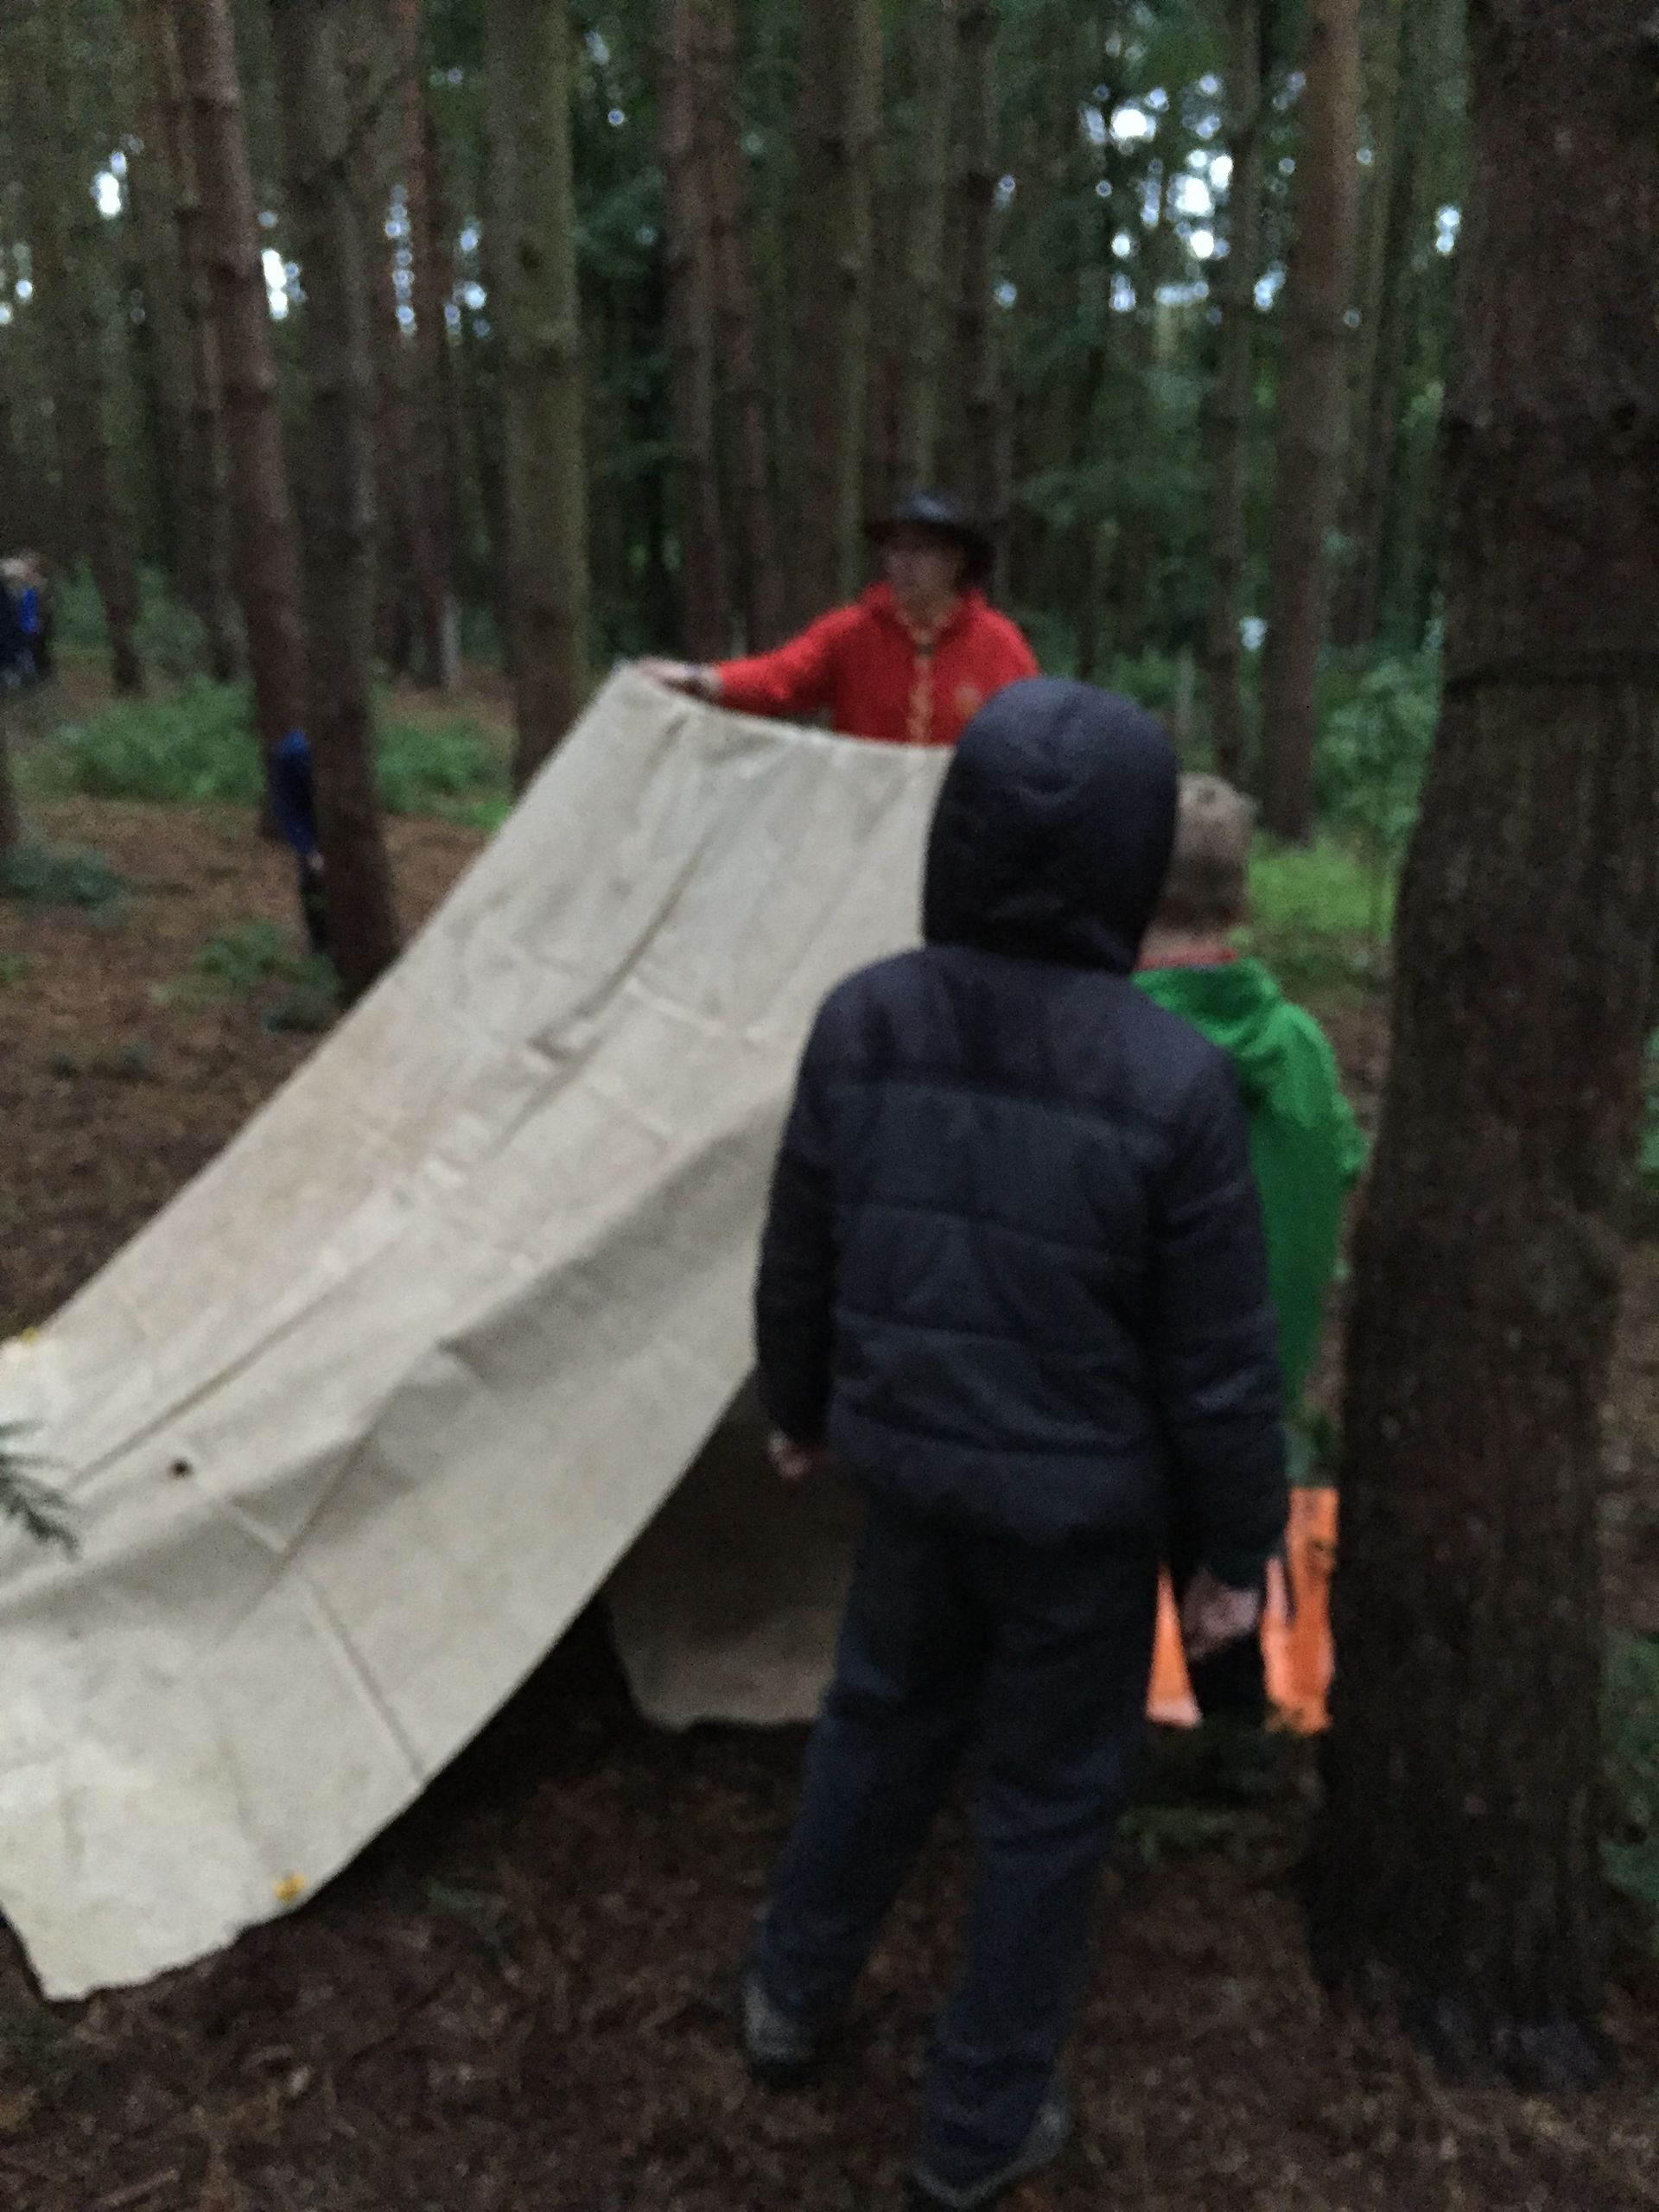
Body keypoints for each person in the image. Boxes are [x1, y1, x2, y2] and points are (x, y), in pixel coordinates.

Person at [743, 680, 1287, 2209]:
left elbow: (800, 1254)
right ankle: (978, 2128)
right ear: (1128, 858)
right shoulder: (1174, 1079)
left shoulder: (865, 1018)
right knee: (1046, 1804)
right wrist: (1235, 1551)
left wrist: (798, 1408)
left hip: (915, 1481)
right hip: (1082, 1529)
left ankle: (790, 1995)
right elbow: (1220, 1363)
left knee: (877, 1728)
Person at [1136, 774, 1365, 1774]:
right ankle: (1253, 1741)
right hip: (1264, 1396)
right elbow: (1341, 1160)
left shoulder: (1109, 1044)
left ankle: (1144, 1745)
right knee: (1253, 1535)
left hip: (1133, 1408)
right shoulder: (1301, 1045)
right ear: (1240, 904)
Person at [639, 491, 1038, 747]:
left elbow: (1033, 737)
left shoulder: (999, 643)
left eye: (920, 550)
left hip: (962, 827)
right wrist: (698, 679)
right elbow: (780, 678)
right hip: (864, 818)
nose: (903, 563)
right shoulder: (851, 632)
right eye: (895, 550)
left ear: (955, 561)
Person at [270, 728, 330, 960]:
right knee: (313, 883)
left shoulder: (342, 746)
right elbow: (289, 809)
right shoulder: (292, 753)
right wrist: (308, 850)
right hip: (310, 827)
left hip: (335, 827)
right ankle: (320, 947)